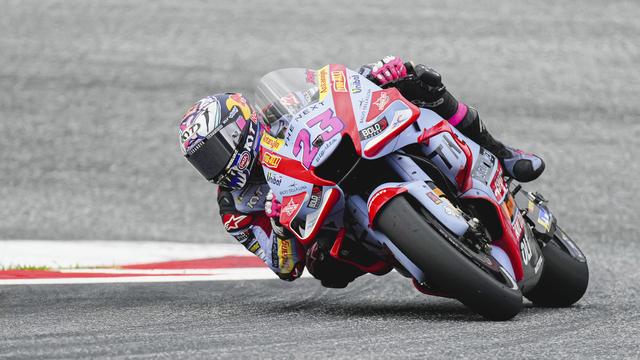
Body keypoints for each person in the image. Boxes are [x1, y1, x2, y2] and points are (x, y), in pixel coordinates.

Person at [178, 56, 545, 288]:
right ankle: (420, 250)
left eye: (213, 153)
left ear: (237, 128)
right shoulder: (235, 206)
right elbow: (284, 267)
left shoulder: (279, 108)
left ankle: (502, 154)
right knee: (326, 270)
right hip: (330, 223)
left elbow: (330, 88)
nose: (212, 167)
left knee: (418, 80)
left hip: (349, 148)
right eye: (202, 162)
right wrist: (278, 228)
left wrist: (372, 76)